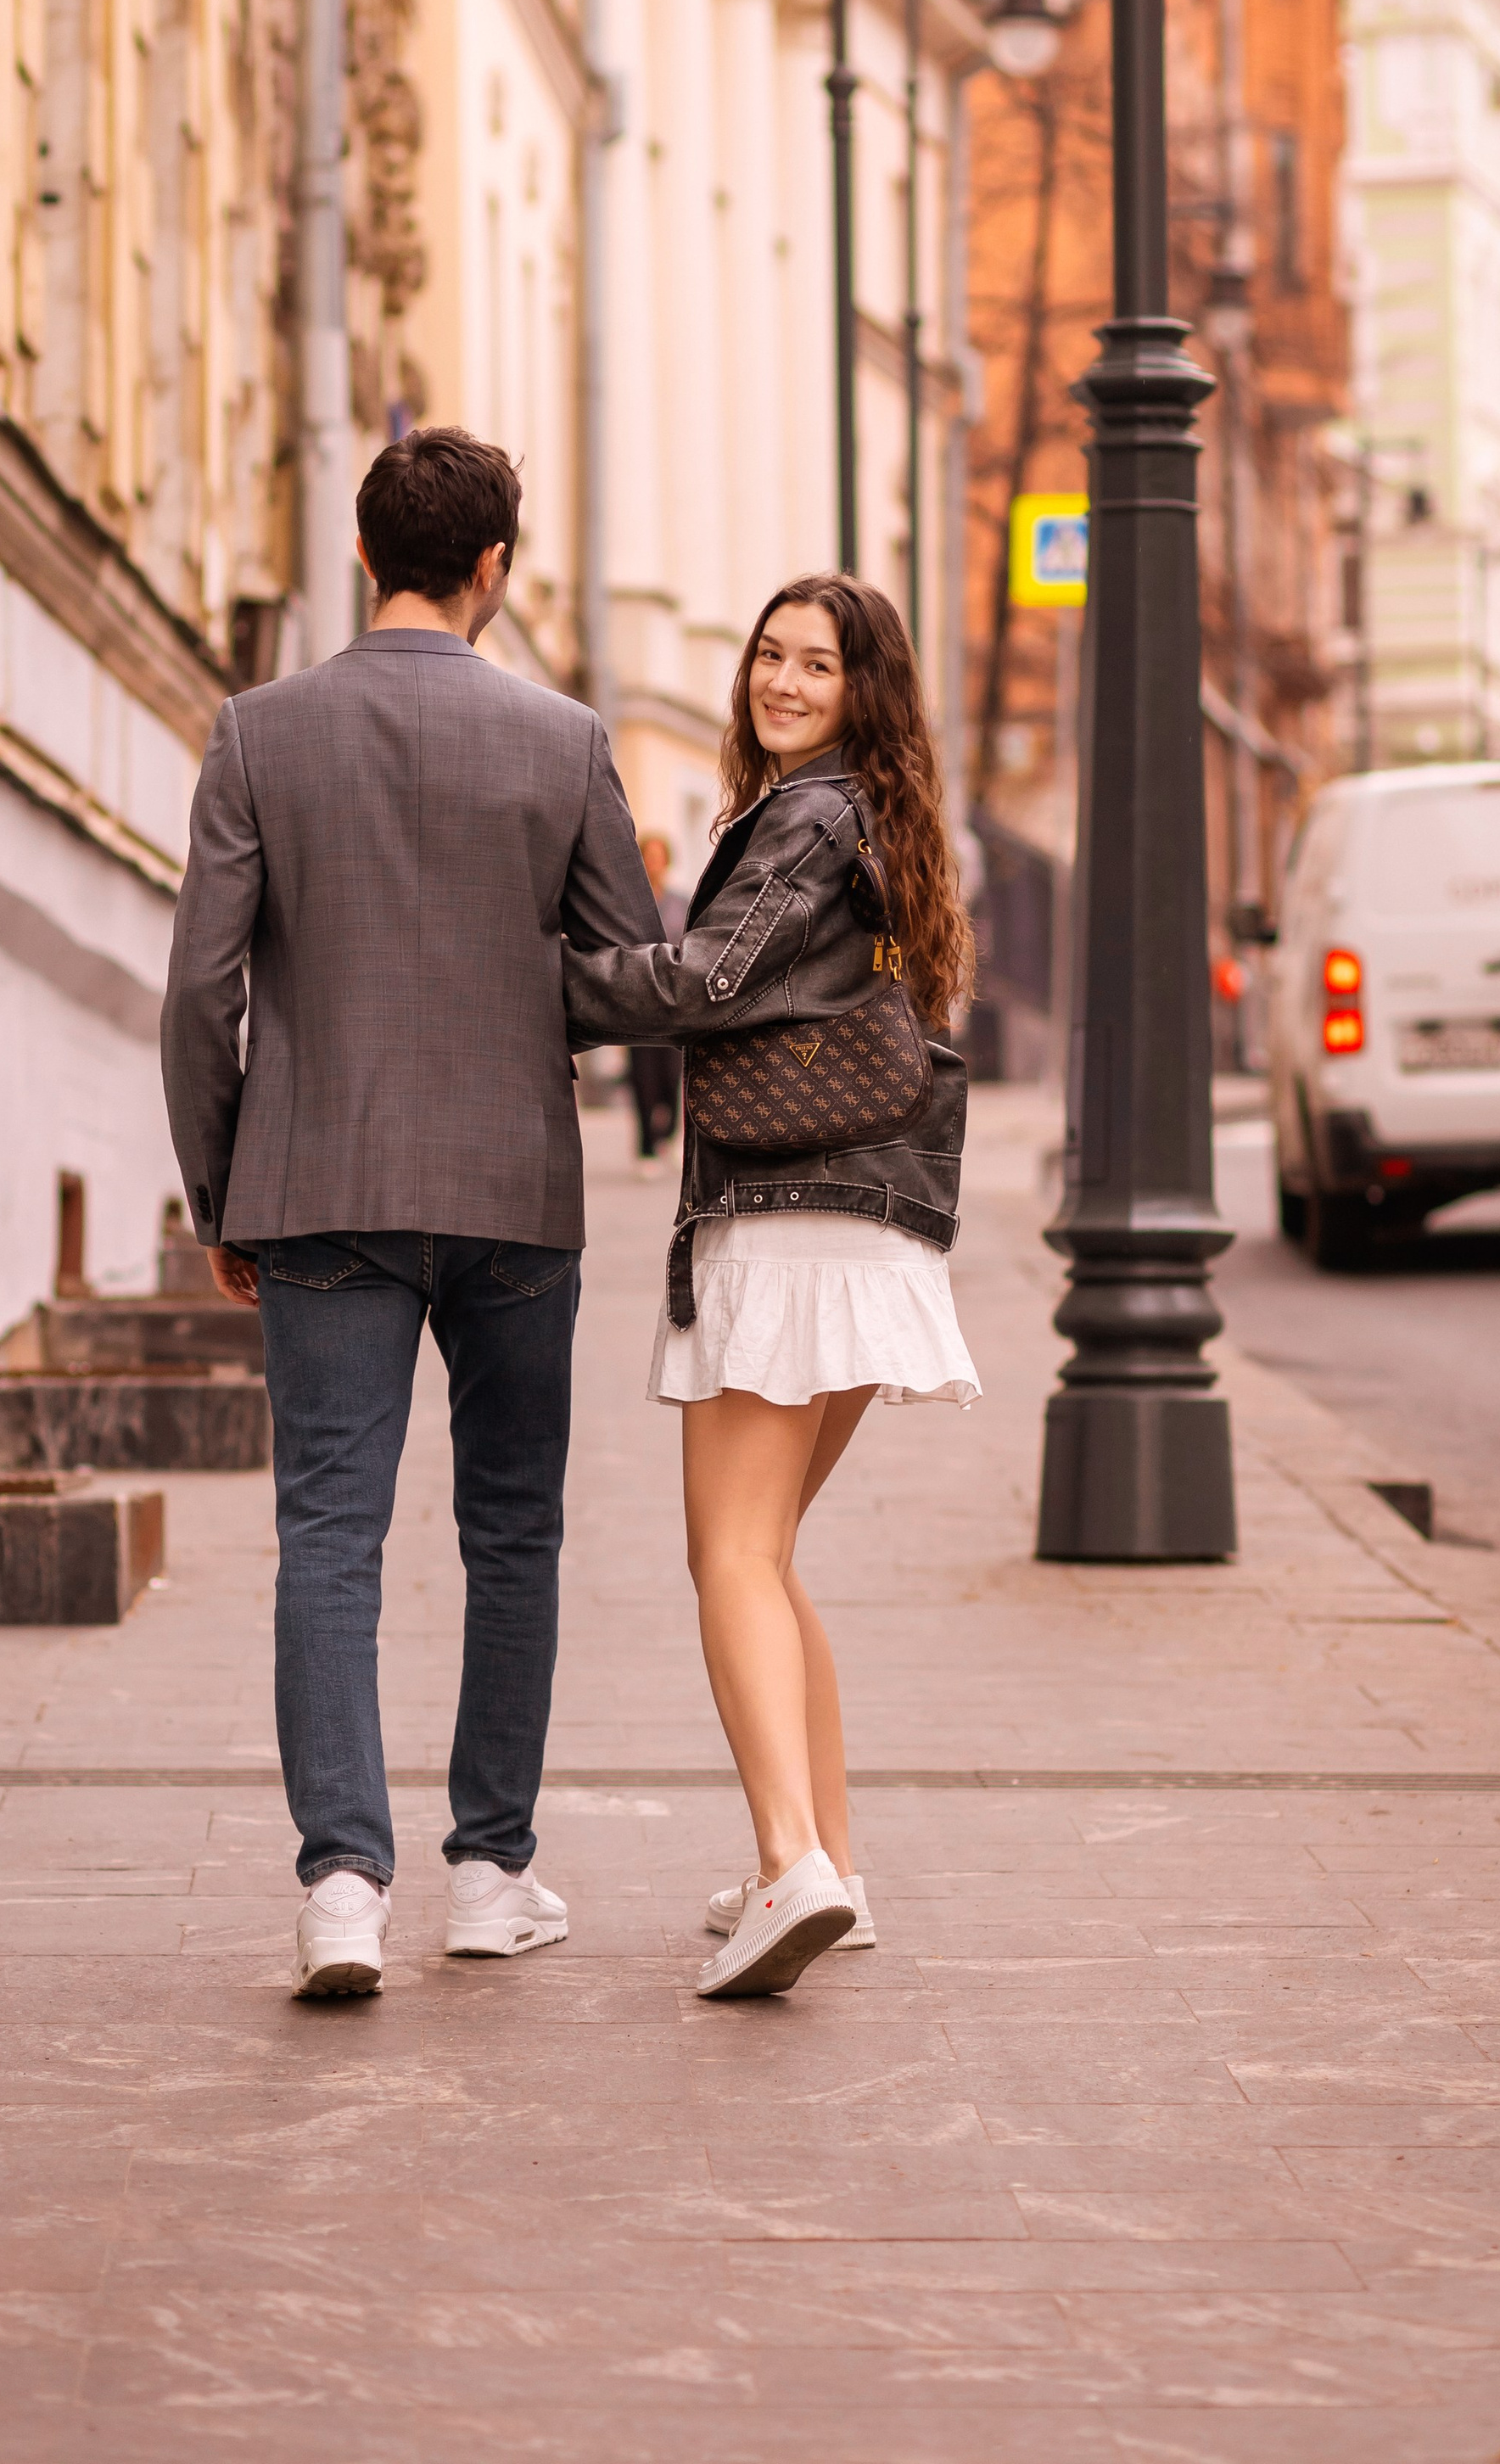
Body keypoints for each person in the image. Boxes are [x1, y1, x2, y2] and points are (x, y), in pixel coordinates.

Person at [160, 426, 661, 2001]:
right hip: (514, 1185)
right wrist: (506, 981)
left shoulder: (259, 732)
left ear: (363, 552)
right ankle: (492, 1872)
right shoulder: (567, 740)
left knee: (329, 1529)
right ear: (494, 566)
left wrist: (223, 1186)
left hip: (318, 1188)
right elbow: (626, 973)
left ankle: (339, 1885)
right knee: (511, 1527)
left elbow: (200, 995)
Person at [563, 573, 977, 2000]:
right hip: (876, 1230)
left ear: (863, 689)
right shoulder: (886, 815)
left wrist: (540, 978)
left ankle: (790, 1860)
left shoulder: (809, 812)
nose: (786, 680)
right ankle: (834, 1869)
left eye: (820, 662)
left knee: (727, 1555)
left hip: (792, 1220)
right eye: (772, 653)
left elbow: (709, 978)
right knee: (771, 1553)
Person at [624, 834, 687, 1173]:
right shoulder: (628, 900)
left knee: (671, 1075)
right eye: (648, 855)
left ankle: (668, 1134)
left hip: (674, 1002)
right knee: (642, 1077)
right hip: (637, 1001)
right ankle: (646, 1147)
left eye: (658, 856)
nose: (653, 862)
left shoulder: (681, 902)